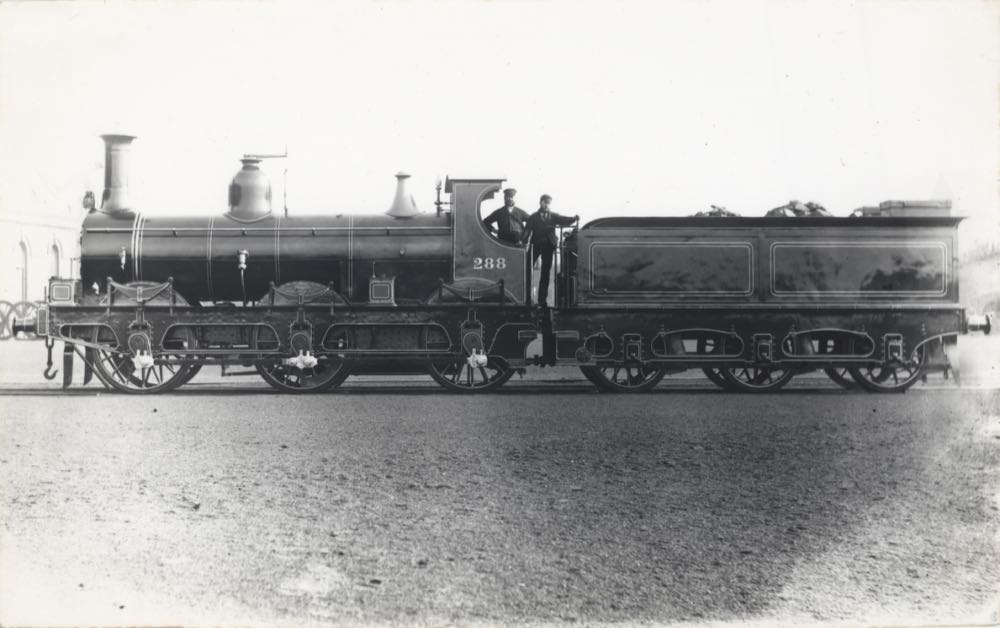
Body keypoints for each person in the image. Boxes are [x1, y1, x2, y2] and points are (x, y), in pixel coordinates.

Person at [522, 194, 578, 308]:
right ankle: (527, 298)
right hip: (536, 245)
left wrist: (573, 218)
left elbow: (564, 220)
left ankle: (542, 300)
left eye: (548, 203)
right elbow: (527, 230)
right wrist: (522, 241)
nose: (547, 205)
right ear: (540, 203)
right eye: (545, 202)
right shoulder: (533, 217)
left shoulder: (553, 216)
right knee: (527, 270)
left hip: (548, 246)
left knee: (545, 273)